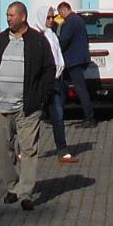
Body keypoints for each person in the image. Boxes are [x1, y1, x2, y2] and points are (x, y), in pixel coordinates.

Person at [0, 0, 57, 209]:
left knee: (28, 149)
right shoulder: (1, 40)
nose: (8, 18)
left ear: (23, 17)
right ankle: (12, 186)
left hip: (27, 108)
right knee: (5, 149)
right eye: (7, 15)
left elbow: (49, 69)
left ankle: (26, 193)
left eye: (12, 15)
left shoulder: (37, 42)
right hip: (1, 106)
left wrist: (42, 97)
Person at [55, 1, 97, 131]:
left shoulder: (70, 21)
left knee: (80, 89)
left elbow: (65, 39)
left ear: (63, 10)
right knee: (74, 87)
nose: (60, 16)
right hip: (79, 58)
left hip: (73, 60)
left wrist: (57, 49)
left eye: (60, 13)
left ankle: (89, 117)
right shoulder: (78, 20)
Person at [41, 9, 72, 162]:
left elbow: (58, 55)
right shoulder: (38, 37)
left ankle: (62, 149)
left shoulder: (52, 34)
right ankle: (23, 149)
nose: (51, 20)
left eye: (53, 17)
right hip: (43, 83)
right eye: (48, 17)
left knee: (58, 117)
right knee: (33, 118)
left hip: (57, 81)